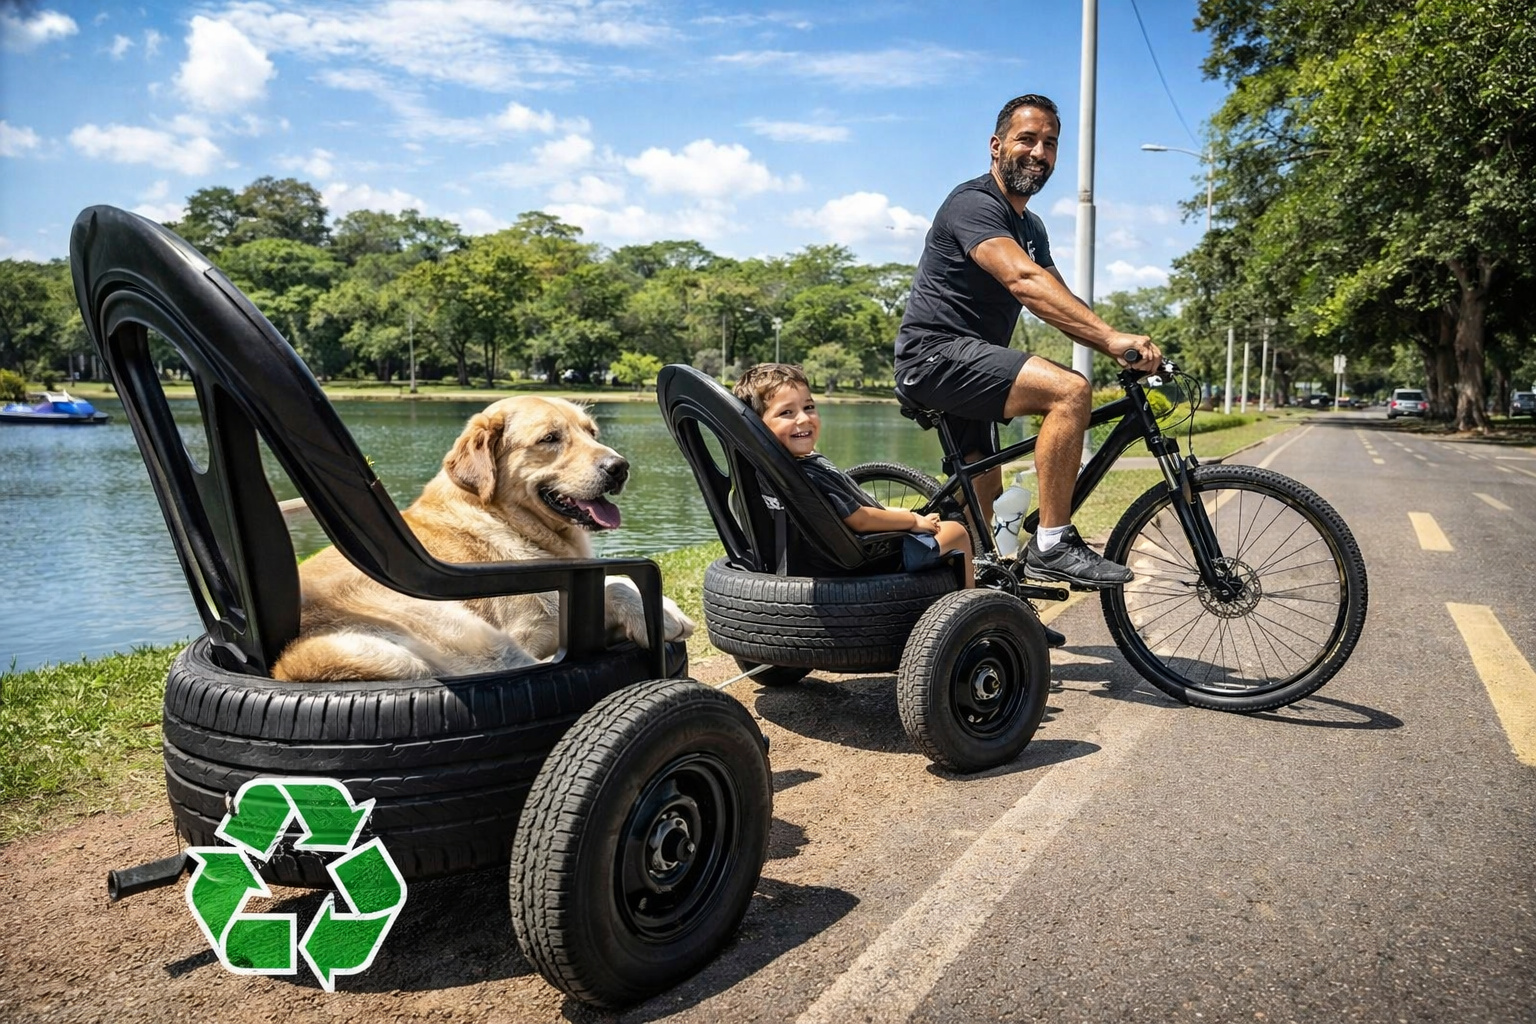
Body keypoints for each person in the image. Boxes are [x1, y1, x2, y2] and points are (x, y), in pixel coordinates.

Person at [894, 93, 1163, 590]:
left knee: (983, 499)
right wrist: (1109, 340)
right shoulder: (974, 204)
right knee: (1070, 390)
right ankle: (1053, 542)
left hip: (973, 366)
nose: (1039, 152)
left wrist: (1118, 339)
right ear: (996, 146)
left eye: (1051, 143)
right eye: (1027, 139)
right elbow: (1023, 281)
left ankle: (984, 608)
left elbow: (1057, 296)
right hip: (934, 356)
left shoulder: (1031, 227)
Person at [733, 363, 973, 588]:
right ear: (757, 426)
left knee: (915, 519)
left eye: (809, 407)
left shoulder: (770, 473)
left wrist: (904, 514)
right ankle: (973, 605)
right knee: (956, 531)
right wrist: (912, 522)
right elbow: (858, 519)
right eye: (787, 412)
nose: (804, 418)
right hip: (866, 562)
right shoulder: (811, 477)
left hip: (819, 559)